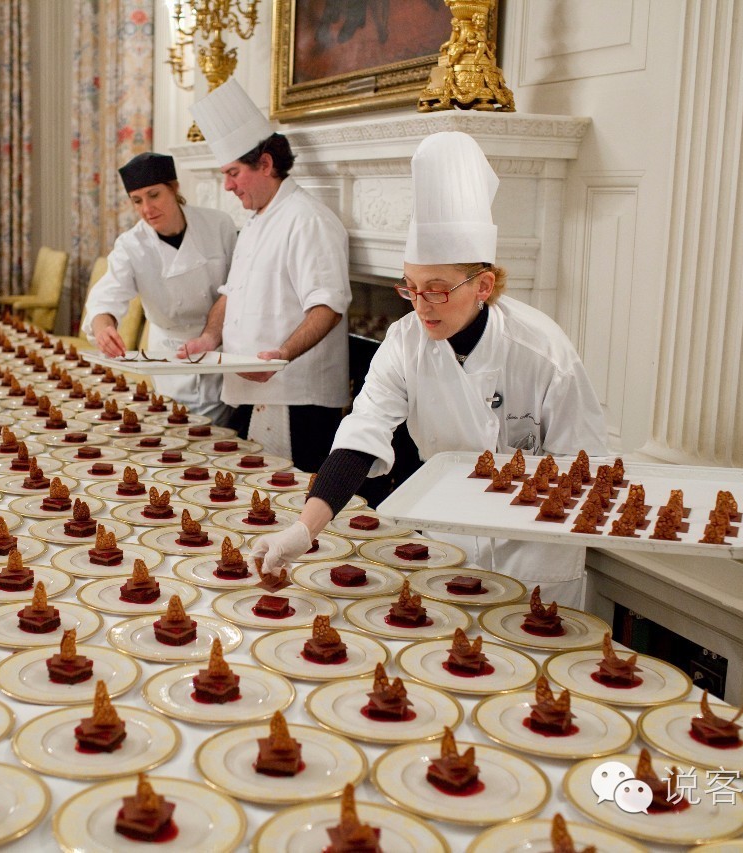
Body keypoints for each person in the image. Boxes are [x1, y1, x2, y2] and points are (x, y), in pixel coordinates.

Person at [250, 132, 608, 607]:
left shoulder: (544, 353)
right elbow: (360, 440)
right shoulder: (404, 343)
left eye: (436, 289)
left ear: (483, 285)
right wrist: (302, 531)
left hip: (534, 559)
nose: (421, 306)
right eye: (410, 287)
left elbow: (588, 472)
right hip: (445, 548)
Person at [178, 80, 351, 472]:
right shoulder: (256, 221)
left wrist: (282, 356)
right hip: (247, 389)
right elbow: (229, 295)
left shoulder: (309, 220)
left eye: (233, 172)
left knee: (289, 508)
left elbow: (329, 307)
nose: (227, 185)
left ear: (266, 164)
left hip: (296, 398)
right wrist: (209, 337)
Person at [82, 152, 237, 421]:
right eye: (137, 201)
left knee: (222, 435)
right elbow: (105, 298)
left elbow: (239, 284)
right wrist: (104, 328)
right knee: (175, 429)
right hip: (168, 354)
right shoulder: (131, 245)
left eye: (154, 195)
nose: (147, 209)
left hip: (220, 346)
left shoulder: (219, 224)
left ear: (175, 188)